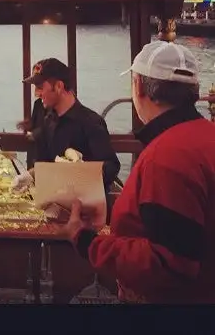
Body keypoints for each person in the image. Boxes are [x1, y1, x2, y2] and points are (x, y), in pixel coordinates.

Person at [65, 41, 215, 304]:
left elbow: (170, 263)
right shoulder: (203, 137)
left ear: (139, 87)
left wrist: (87, 241)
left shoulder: (168, 156)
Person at [12, 58, 120, 191]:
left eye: (40, 87)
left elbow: (112, 167)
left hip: (82, 203)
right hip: (51, 197)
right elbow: (47, 163)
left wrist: (81, 169)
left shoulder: (90, 122)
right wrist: (30, 176)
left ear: (59, 86)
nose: (36, 94)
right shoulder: (45, 116)